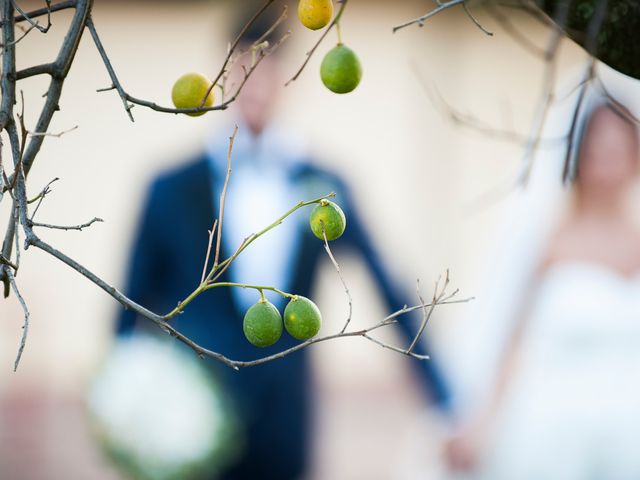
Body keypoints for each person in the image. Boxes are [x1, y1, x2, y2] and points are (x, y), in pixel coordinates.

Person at [115, 8, 451, 479]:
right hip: (192, 424)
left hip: (288, 424)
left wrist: (444, 400)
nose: (253, 84)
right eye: (241, 69)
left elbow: (388, 285)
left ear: (289, 78)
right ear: (222, 74)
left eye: (266, 69)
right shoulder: (168, 189)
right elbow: (128, 307)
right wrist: (121, 406)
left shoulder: (326, 187)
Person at [445, 78, 640, 479]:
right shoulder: (548, 243)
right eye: (597, 150)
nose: (608, 163)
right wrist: (481, 422)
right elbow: (510, 342)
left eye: (619, 151)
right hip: (553, 435)